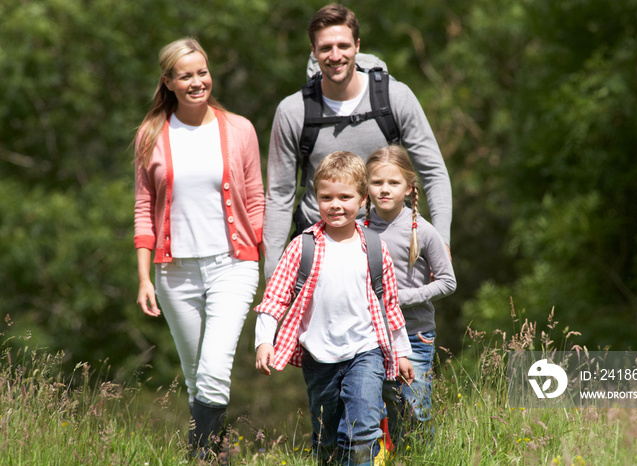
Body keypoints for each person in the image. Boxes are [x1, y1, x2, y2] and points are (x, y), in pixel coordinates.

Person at [133, 37, 264, 459]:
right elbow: (143, 207)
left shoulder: (239, 129)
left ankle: (199, 457)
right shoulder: (151, 134)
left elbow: (258, 199)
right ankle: (217, 452)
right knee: (194, 378)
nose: (197, 82)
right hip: (174, 272)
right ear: (168, 81)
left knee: (211, 372)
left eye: (202, 72)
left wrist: (265, 257)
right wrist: (143, 276)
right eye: (185, 75)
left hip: (233, 264)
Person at [263, 3, 452, 279]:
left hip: (391, 246)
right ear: (313, 52)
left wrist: (441, 242)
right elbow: (279, 194)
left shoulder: (395, 98)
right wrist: (273, 271)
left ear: (357, 46)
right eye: (326, 48)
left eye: (343, 45)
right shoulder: (293, 111)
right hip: (321, 249)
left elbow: (433, 172)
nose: (335, 55)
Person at [254, 151, 415, 465]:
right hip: (319, 355)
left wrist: (401, 352)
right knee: (327, 437)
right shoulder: (303, 246)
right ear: (316, 199)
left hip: (366, 350)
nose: (336, 205)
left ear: (363, 199)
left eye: (345, 196)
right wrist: (263, 341)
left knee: (364, 428)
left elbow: (389, 305)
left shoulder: (374, 246)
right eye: (326, 197)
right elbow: (274, 299)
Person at [364, 145, 456, 446]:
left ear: (408, 187)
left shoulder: (423, 230)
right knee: (369, 410)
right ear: (366, 186)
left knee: (413, 410)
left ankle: (417, 457)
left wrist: (402, 297)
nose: (385, 190)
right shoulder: (356, 229)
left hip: (414, 334)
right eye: (377, 183)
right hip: (367, 336)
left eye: (393, 183)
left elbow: (447, 282)